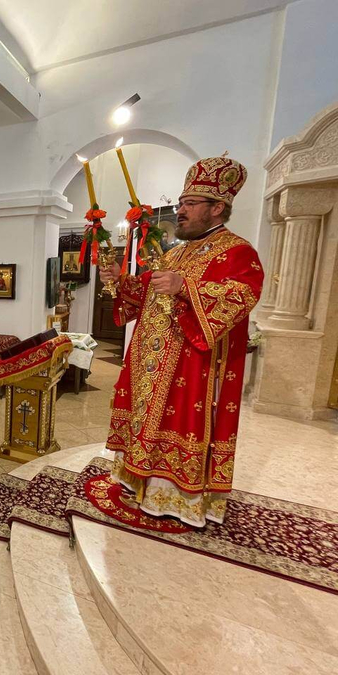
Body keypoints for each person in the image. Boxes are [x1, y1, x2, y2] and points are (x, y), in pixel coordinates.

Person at [98, 156, 263, 528]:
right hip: (150, 360)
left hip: (192, 363)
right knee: (145, 417)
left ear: (217, 207)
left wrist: (186, 286)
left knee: (178, 420)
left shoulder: (238, 251)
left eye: (190, 204)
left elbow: (243, 295)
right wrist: (120, 280)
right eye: (182, 202)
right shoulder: (176, 251)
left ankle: (177, 495)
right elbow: (147, 292)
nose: (180, 210)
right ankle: (136, 478)